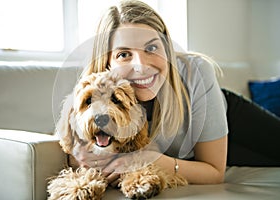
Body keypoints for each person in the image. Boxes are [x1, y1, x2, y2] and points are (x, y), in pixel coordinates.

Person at [70, 0, 280, 187]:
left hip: (224, 119)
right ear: (106, 61)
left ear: (167, 49)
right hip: (194, 156)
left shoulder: (195, 71)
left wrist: (144, 159)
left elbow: (215, 173)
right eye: (124, 54)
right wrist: (77, 154)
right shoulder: (93, 92)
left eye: (151, 48)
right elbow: (68, 138)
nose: (141, 66)